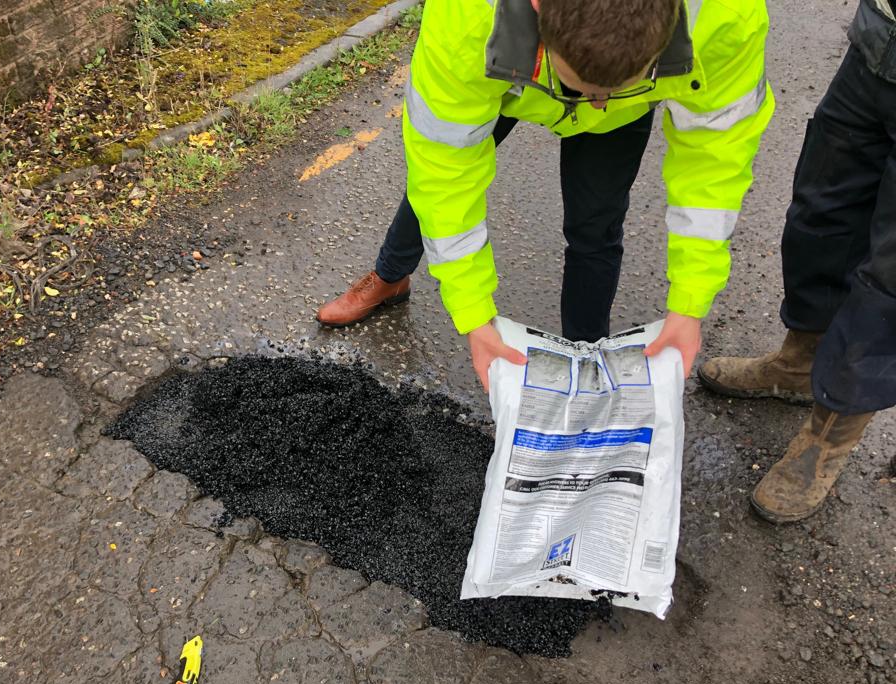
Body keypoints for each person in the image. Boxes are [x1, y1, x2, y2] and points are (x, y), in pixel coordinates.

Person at [317, 0, 774, 392]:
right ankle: (389, 275)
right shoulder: (468, 21)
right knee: (434, 186)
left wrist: (690, 303)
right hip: (511, 75)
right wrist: (474, 315)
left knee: (596, 223)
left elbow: (716, 158)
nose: (595, 105)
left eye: (612, 90)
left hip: (626, 101)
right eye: (584, 89)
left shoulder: (723, 17)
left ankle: (587, 357)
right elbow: (444, 171)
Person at [697, 0, 896, 524]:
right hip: (880, 41)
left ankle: (830, 433)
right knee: (822, 212)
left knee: (889, 278)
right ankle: (801, 363)